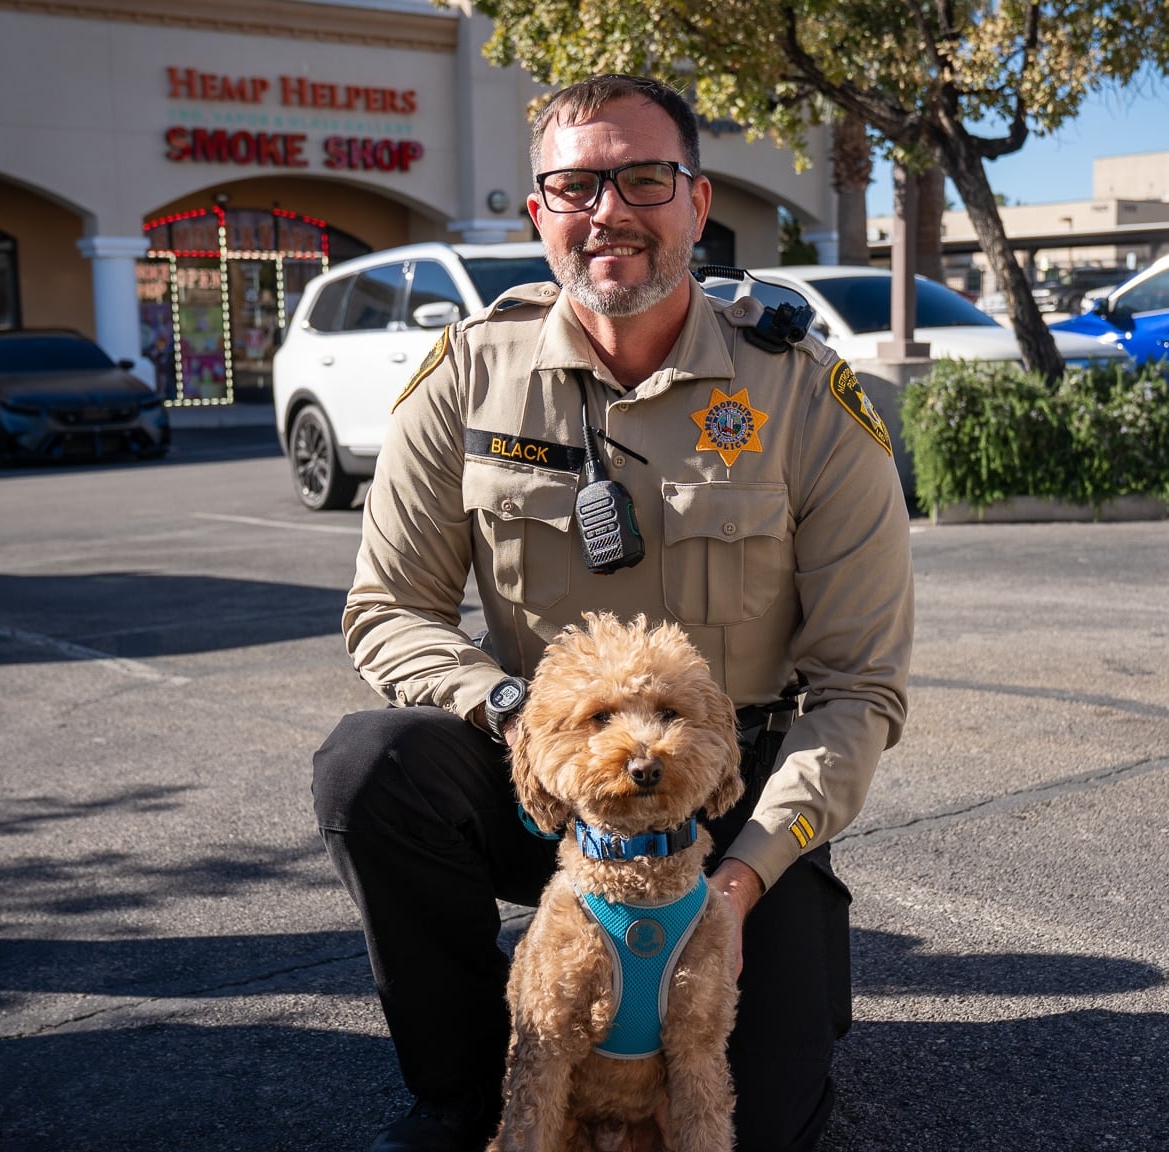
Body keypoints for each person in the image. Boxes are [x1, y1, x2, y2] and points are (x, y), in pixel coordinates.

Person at [312, 73, 913, 1152]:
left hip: (732, 802)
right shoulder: (466, 376)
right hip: (540, 783)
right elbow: (387, 611)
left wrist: (741, 883)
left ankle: (761, 970)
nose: (610, 212)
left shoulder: (800, 398)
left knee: (762, 1121)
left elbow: (858, 686)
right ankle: (464, 1093)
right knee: (372, 765)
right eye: (576, 184)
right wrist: (510, 714)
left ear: (695, 201)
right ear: (537, 210)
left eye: (643, 178)